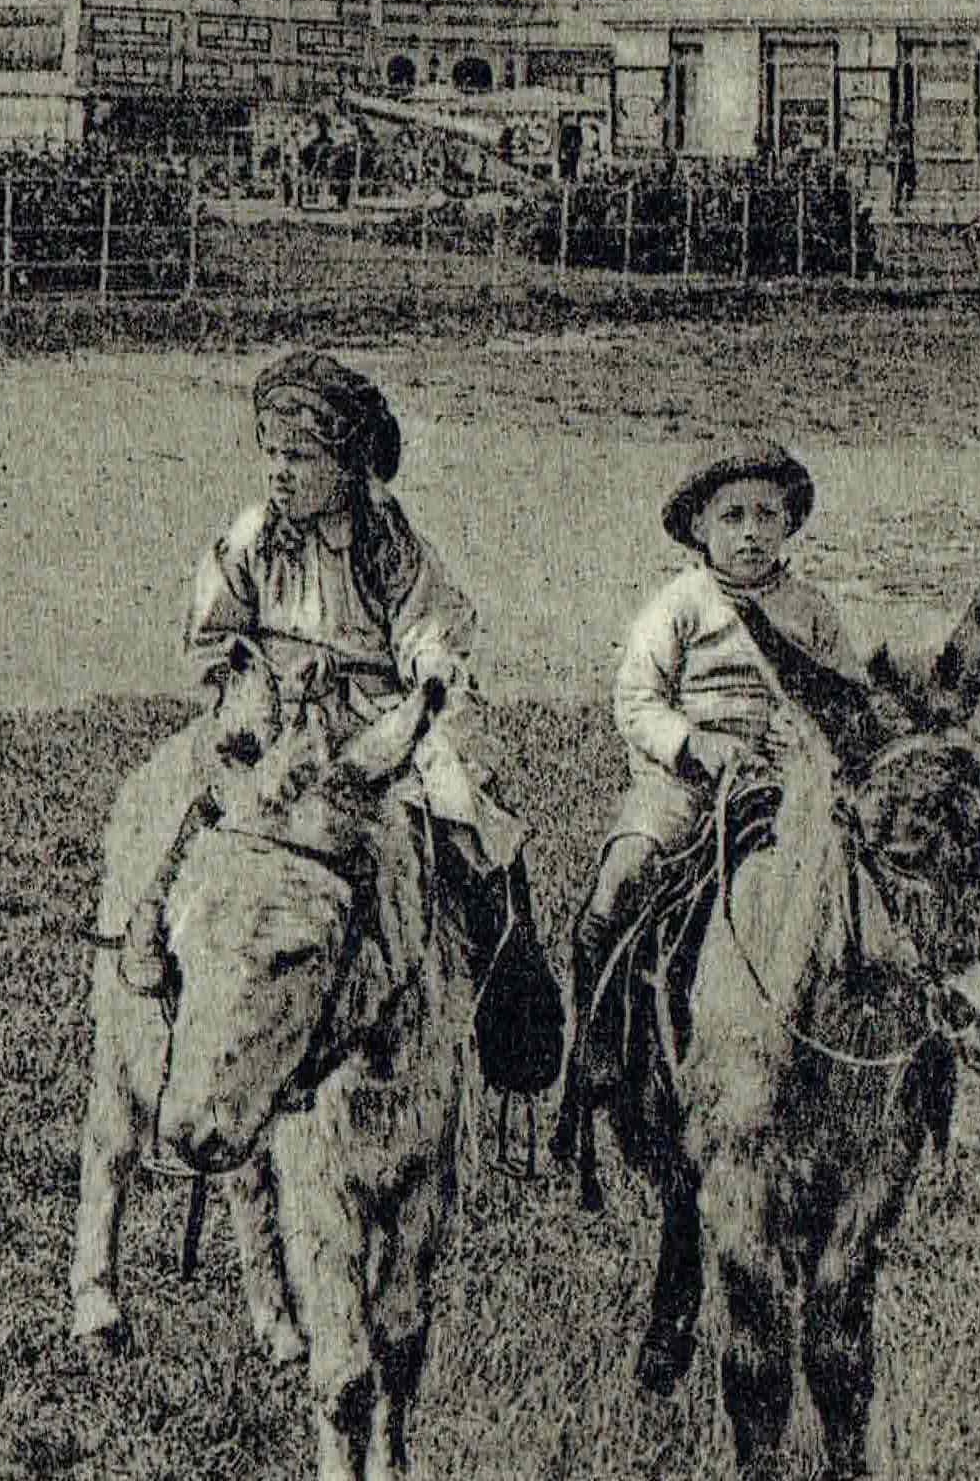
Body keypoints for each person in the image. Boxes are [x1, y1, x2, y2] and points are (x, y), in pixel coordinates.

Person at [117, 352, 562, 1100]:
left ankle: (501, 973)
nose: (279, 472)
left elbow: (430, 626)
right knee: (207, 796)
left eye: (301, 455)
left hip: (370, 718)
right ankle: (154, 922)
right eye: (271, 453)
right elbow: (211, 626)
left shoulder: (386, 542)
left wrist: (423, 680)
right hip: (275, 713)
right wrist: (251, 667)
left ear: (346, 463)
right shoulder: (255, 535)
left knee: (462, 813)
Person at [559, 442, 874, 1168]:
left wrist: (808, 742)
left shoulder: (810, 610)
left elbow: (849, 701)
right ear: (700, 527)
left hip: (784, 785)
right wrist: (692, 743)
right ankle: (600, 1048)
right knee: (617, 888)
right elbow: (636, 698)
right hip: (689, 784)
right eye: (732, 516)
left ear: (791, 524)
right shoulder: (679, 606)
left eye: (769, 514)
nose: (751, 531)